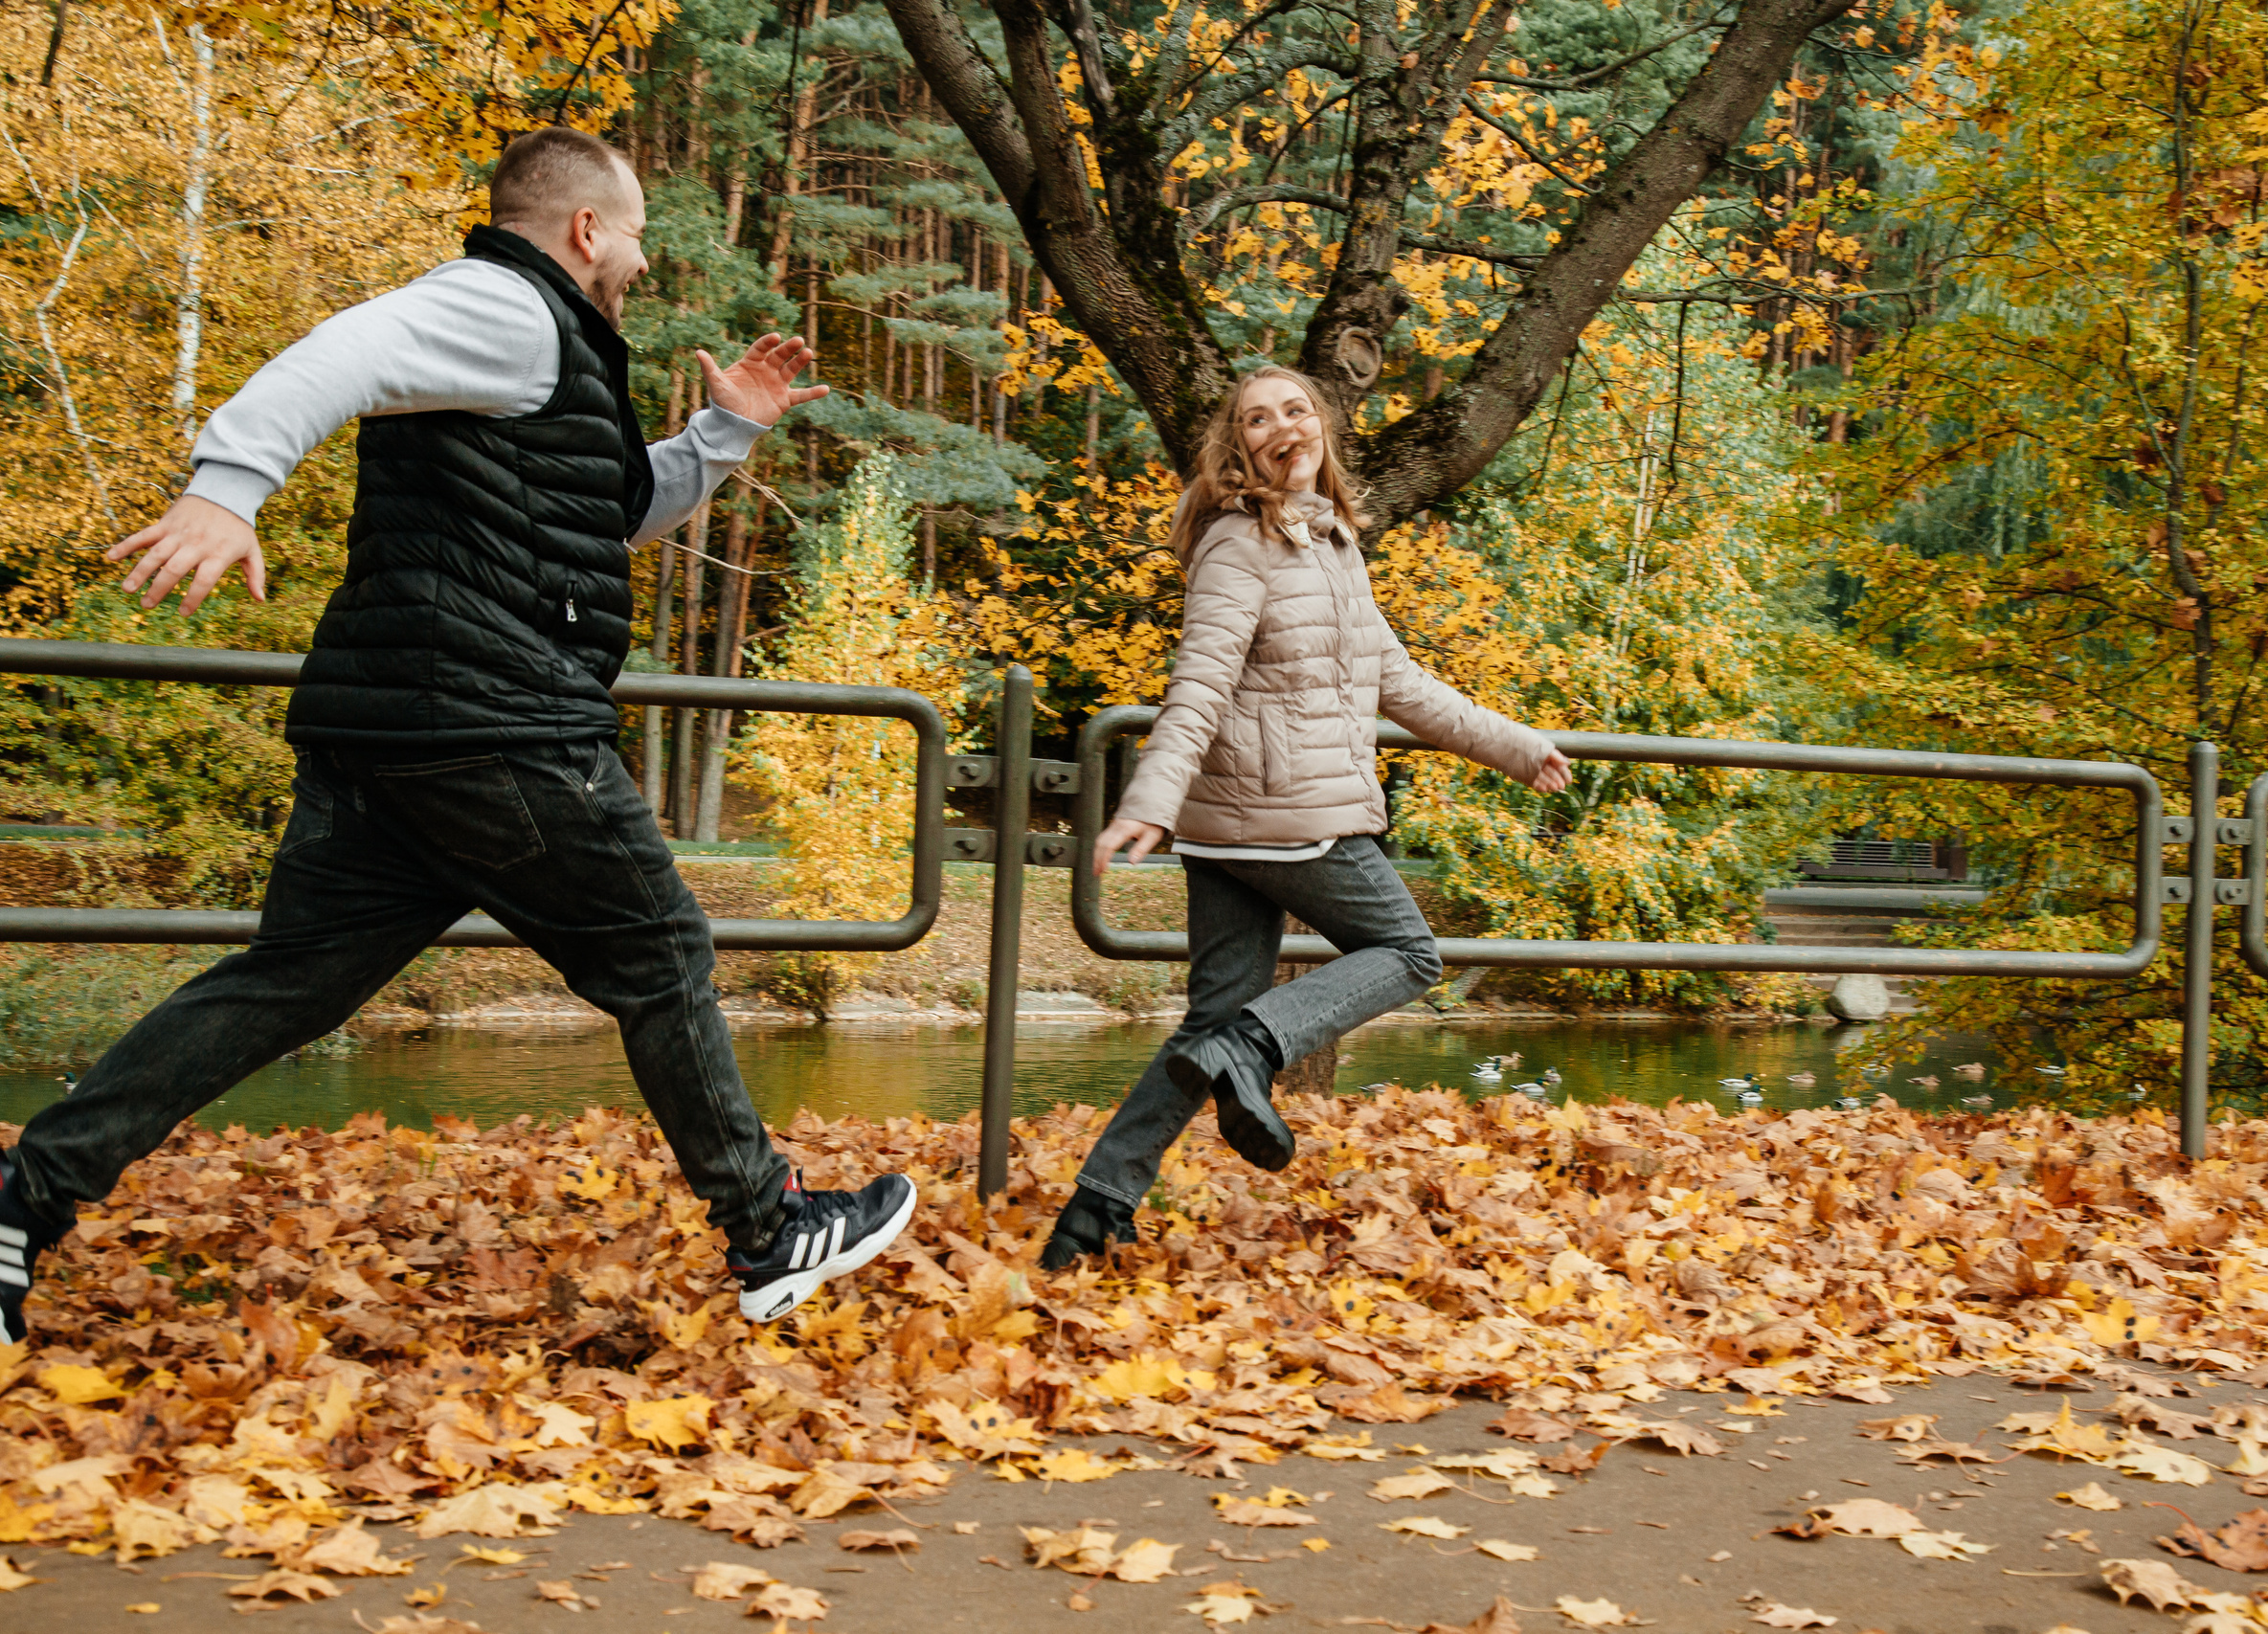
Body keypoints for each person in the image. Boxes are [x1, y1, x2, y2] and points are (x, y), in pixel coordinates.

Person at [0, 128, 915, 1347]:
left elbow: (609, 511)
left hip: (401, 730)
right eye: (635, 232)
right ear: (586, 229)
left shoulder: (540, 349)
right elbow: (342, 353)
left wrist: (723, 435)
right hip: (494, 720)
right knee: (660, 955)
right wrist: (229, 483)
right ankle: (768, 1228)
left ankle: (22, 1199)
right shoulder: (504, 305)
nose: (640, 260)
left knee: (279, 990)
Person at [1039, 365, 1572, 1270]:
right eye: (1257, 419)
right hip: (1287, 819)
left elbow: (1398, 683)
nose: (1280, 426)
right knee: (1410, 953)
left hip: (1236, 828)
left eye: (1295, 409)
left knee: (1205, 1025)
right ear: (1239, 446)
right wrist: (1149, 801)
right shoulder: (1236, 545)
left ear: (1320, 427)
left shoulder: (1331, 547)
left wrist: (1516, 746)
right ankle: (1257, 1045)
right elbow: (1198, 686)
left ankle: (1094, 1210)